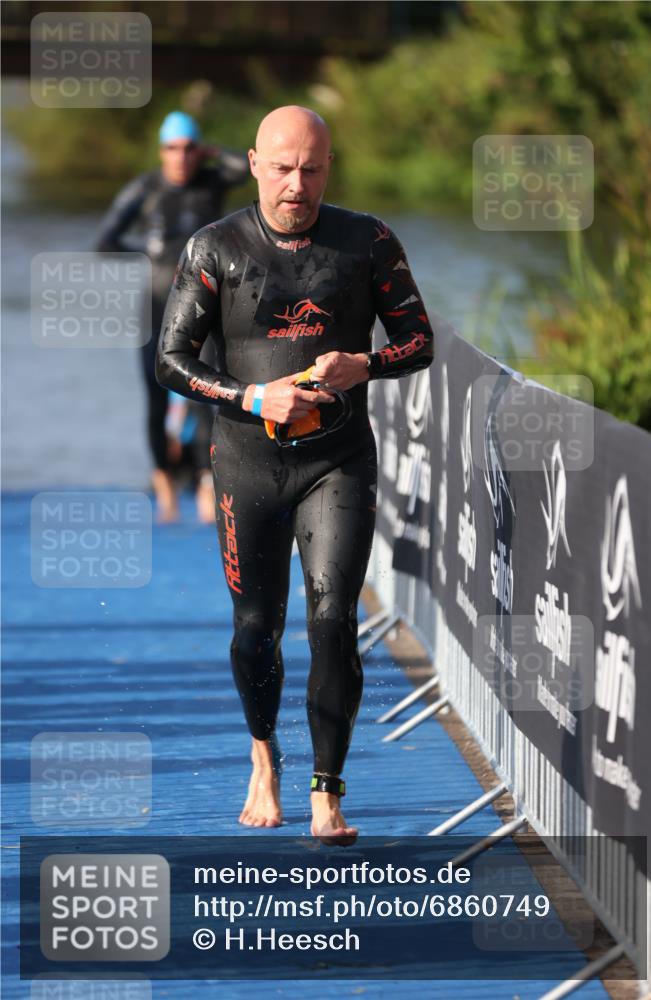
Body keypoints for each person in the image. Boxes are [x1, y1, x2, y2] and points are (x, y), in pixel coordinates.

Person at [156, 105, 433, 845]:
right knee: (256, 632)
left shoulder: (366, 241)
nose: (295, 184)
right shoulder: (215, 247)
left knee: (333, 621)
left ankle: (326, 791)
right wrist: (252, 394)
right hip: (246, 463)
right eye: (281, 168)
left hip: (336, 461)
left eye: (310, 169)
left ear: (327, 168)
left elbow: (418, 340)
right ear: (252, 164)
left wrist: (363, 364)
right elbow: (172, 361)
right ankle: (262, 754)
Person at [95, 111, 249, 522]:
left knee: (207, 396)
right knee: (156, 398)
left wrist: (211, 152)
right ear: (161, 151)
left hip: (207, 310)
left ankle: (203, 480)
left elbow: (248, 167)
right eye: (172, 149)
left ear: (198, 150)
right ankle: (163, 480)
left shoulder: (211, 182)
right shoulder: (145, 188)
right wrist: (150, 255)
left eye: (188, 148)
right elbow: (104, 241)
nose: (180, 157)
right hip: (156, 309)